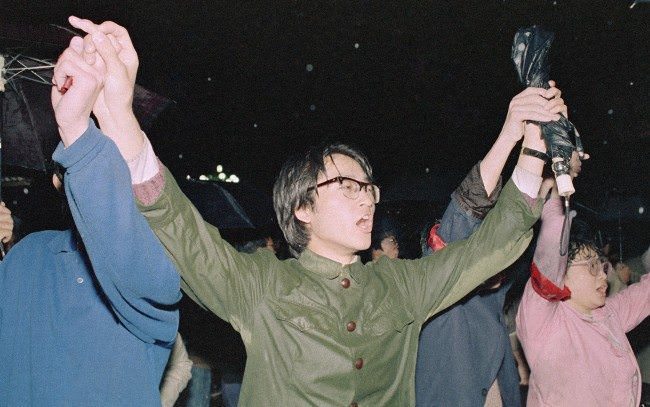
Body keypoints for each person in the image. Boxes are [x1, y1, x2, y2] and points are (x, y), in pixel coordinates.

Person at [70, 16, 565, 405]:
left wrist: (531, 147)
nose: (365, 198)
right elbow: (179, 229)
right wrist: (118, 112)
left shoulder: (403, 285)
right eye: (347, 185)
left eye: (368, 188)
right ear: (302, 207)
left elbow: (489, 248)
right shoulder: (264, 286)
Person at [0, 33, 181, 405]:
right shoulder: (27, 254)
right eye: (76, 163)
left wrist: (79, 129)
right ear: (57, 178)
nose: (101, 175)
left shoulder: (153, 261)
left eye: (112, 165)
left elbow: (138, 266)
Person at [516, 178, 650, 406]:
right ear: (562, 274)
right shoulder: (545, 325)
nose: (602, 275)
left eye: (602, 265)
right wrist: (554, 208)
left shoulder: (608, 315)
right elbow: (548, 260)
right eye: (591, 266)